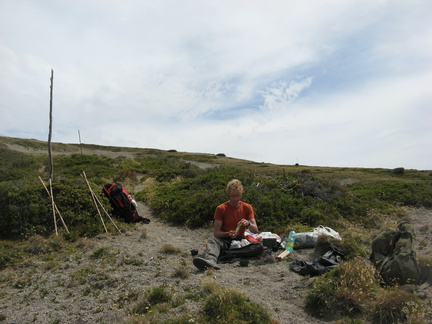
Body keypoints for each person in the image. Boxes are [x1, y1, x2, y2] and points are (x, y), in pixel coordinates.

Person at [193, 179, 259, 271]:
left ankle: (226, 254)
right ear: (228, 194)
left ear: (241, 194)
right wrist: (228, 233)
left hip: (240, 240)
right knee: (213, 241)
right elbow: (216, 233)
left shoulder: (247, 207)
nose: (236, 199)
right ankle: (211, 261)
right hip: (225, 240)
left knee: (258, 247)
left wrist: (248, 224)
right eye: (233, 196)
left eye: (238, 196)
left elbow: (255, 230)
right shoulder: (221, 209)